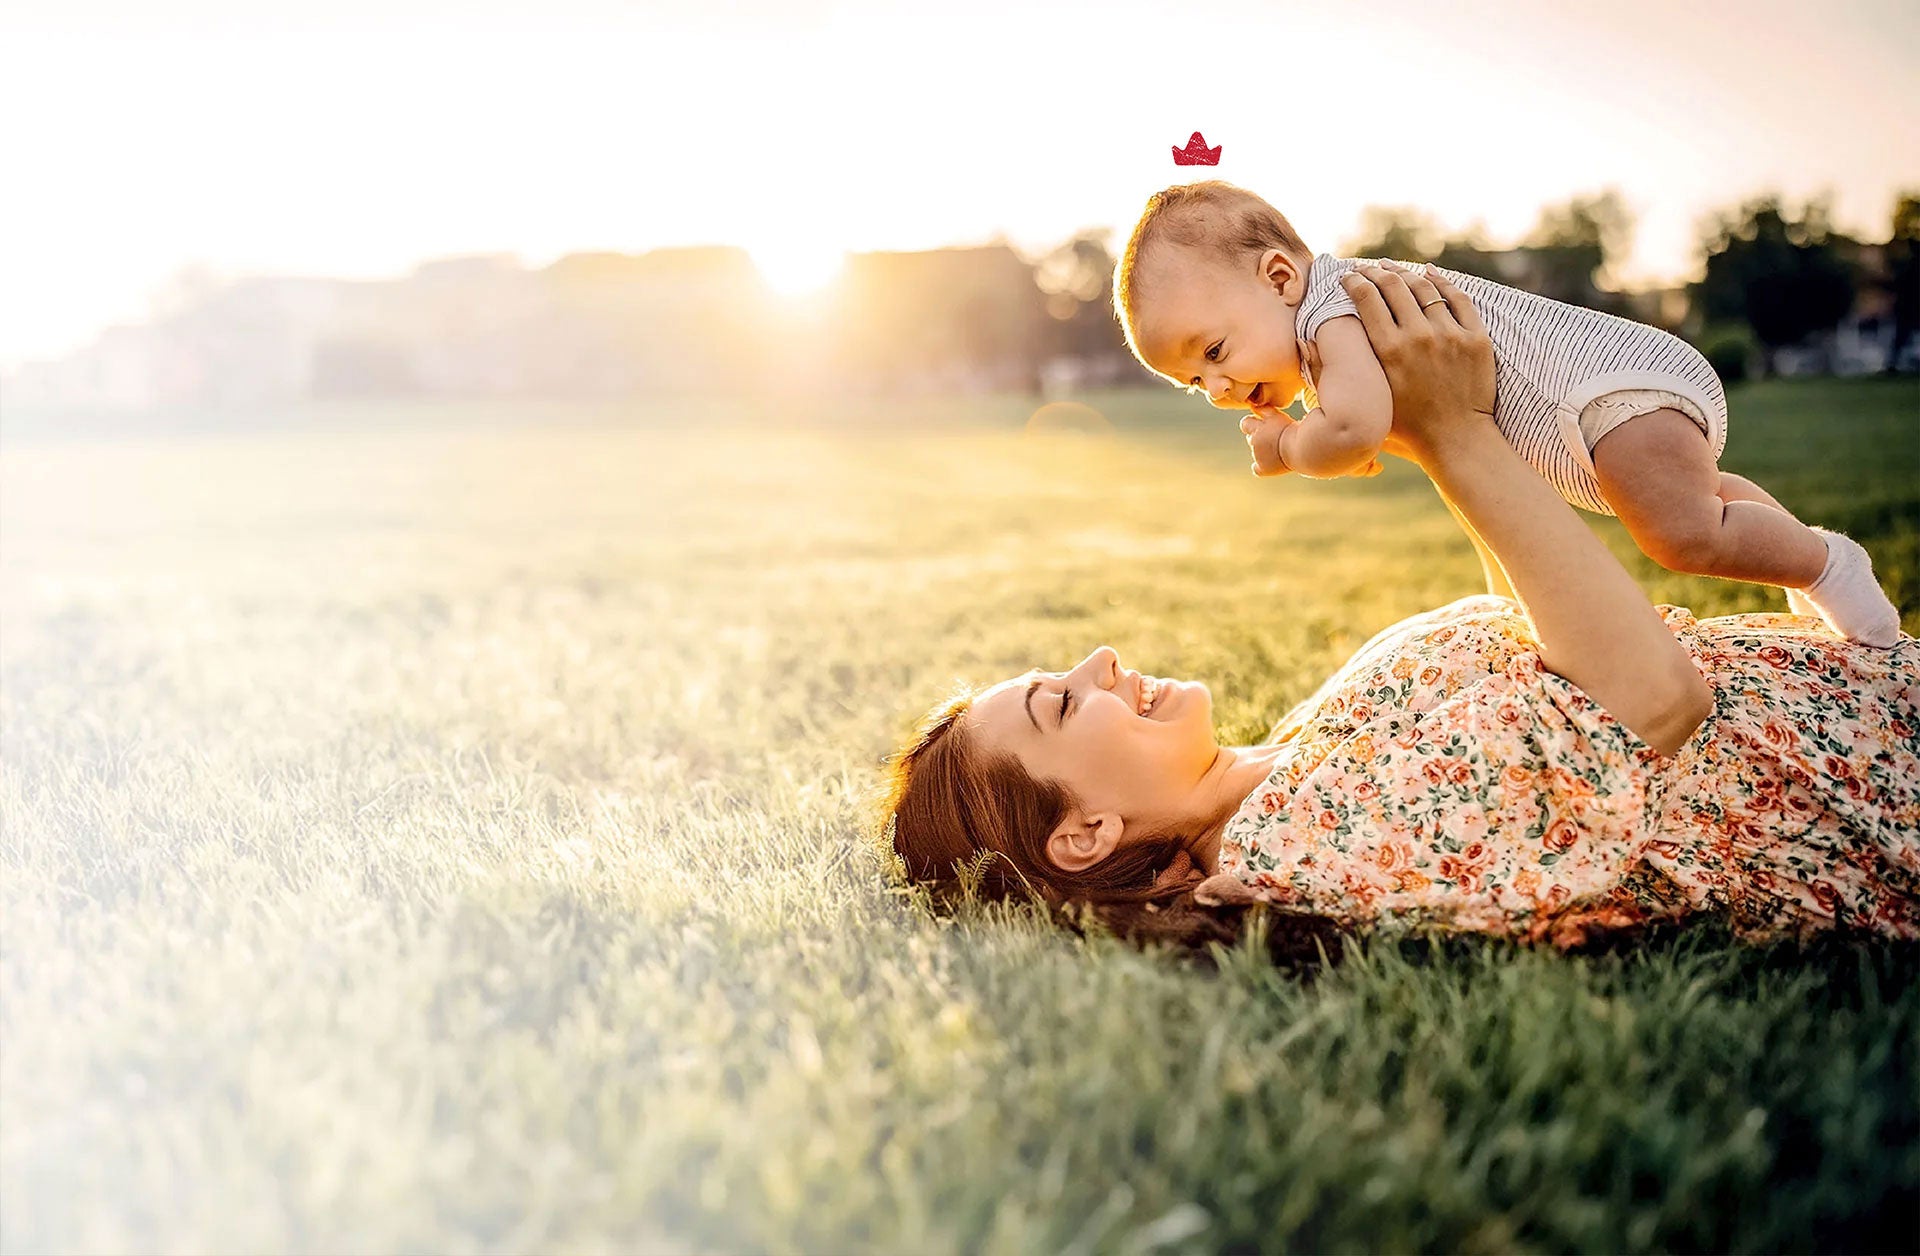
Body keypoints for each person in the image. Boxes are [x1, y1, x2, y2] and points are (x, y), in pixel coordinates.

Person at [879, 263, 1918, 964]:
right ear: (1087, 833)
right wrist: (1455, 431)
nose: (1100, 658)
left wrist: (1438, 435)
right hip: (1884, 785)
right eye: (1061, 705)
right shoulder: (1301, 848)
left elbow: (1533, 649)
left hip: (1868, 692)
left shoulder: (1292, 759)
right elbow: (1651, 704)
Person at [1109, 179, 1901, 649]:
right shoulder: (1326, 325)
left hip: (1603, 391)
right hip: (1609, 403)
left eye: (1213, 351)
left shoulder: (1332, 312)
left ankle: (1827, 564)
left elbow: (1352, 435)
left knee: (1679, 534)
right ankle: (1795, 555)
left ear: (1279, 276)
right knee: (1702, 502)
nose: (1215, 387)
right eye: (1192, 382)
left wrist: (1287, 446)